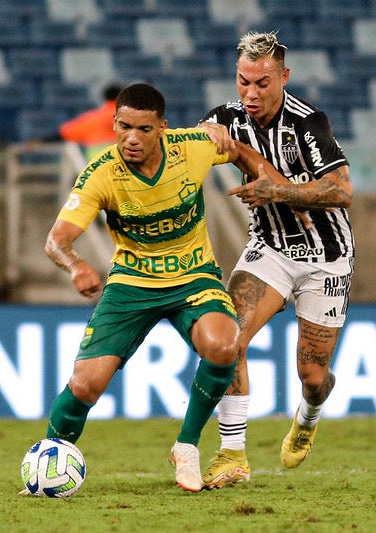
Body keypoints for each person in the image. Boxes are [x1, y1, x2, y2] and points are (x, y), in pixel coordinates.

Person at [29, 82, 297, 493]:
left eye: (143, 129)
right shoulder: (101, 173)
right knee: (84, 385)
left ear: (163, 128)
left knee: (225, 346)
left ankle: (187, 446)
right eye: (123, 127)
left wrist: (280, 190)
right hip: (131, 284)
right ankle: (49, 460)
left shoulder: (192, 146)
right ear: (114, 123)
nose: (131, 138)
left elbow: (241, 151)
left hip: (193, 275)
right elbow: (56, 239)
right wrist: (76, 264)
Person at [198, 31, 355, 489]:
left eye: (262, 83)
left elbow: (342, 191)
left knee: (312, 374)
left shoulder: (309, 124)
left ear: (283, 77)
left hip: (327, 259)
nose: (250, 93)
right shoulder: (226, 118)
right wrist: (201, 138)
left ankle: (309, 415)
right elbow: (196, 144)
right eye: (243, 81)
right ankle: (231, 454)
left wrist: (278, 190)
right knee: (228, 338)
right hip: (269, 249)